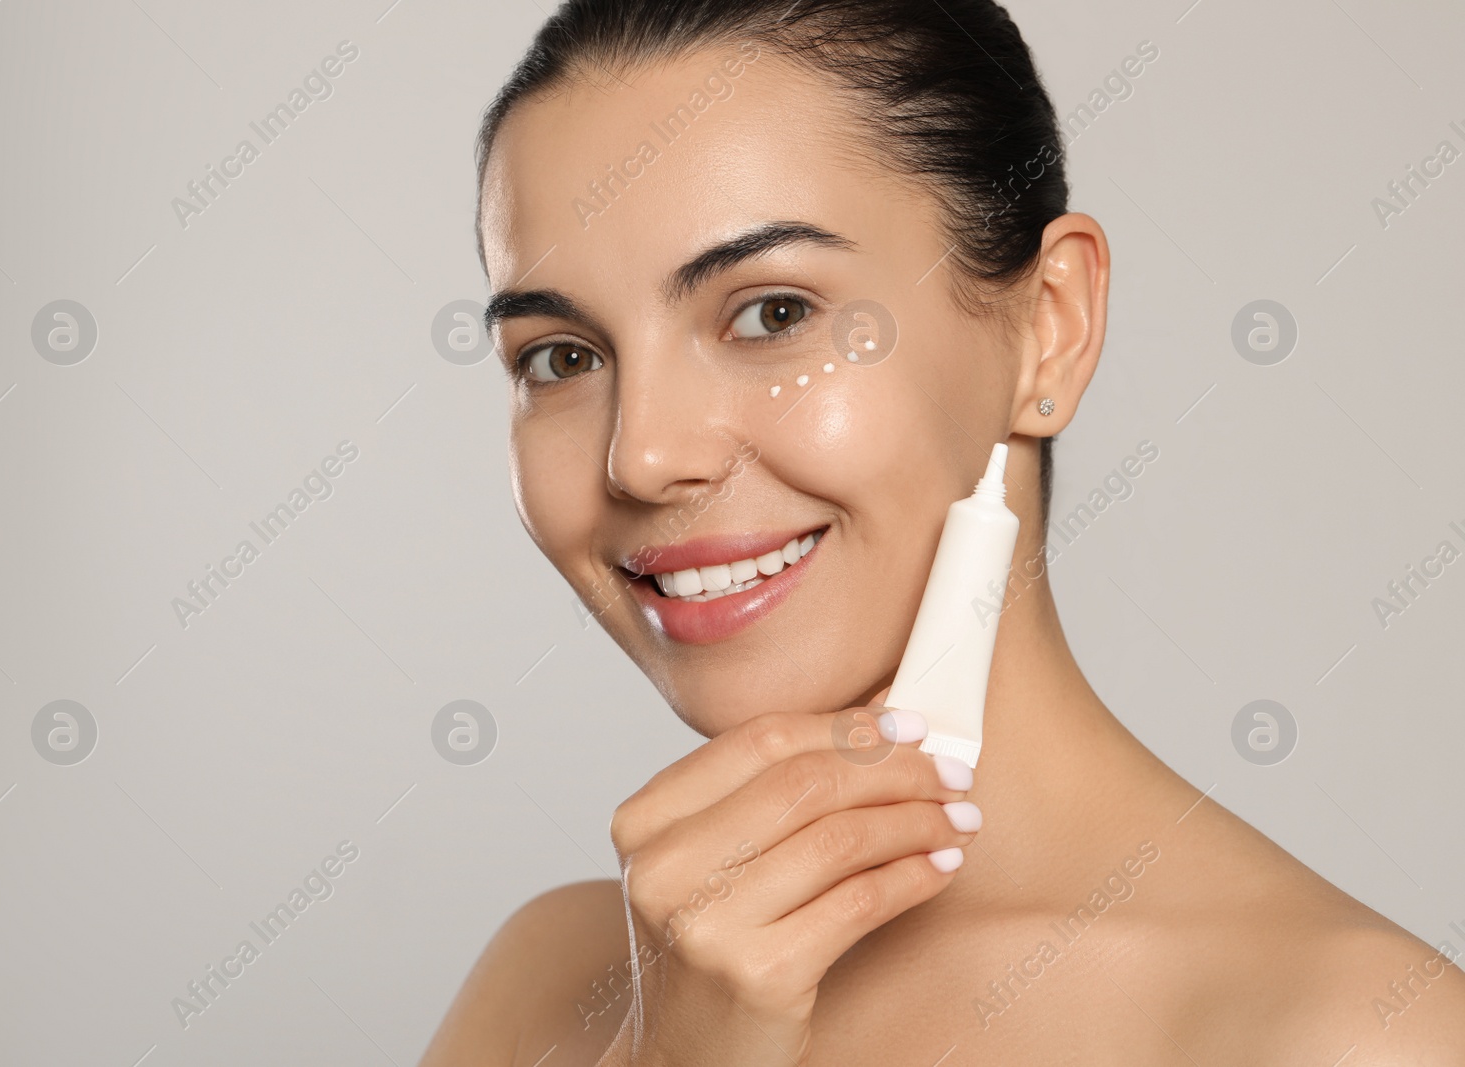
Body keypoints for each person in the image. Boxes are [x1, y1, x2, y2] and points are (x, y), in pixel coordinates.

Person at [423, 1, 1465, 1062]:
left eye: (773, 312)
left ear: (1047, 327)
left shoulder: (1355, 1033)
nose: (641, 456)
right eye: (560, 356)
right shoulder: (555, 976)